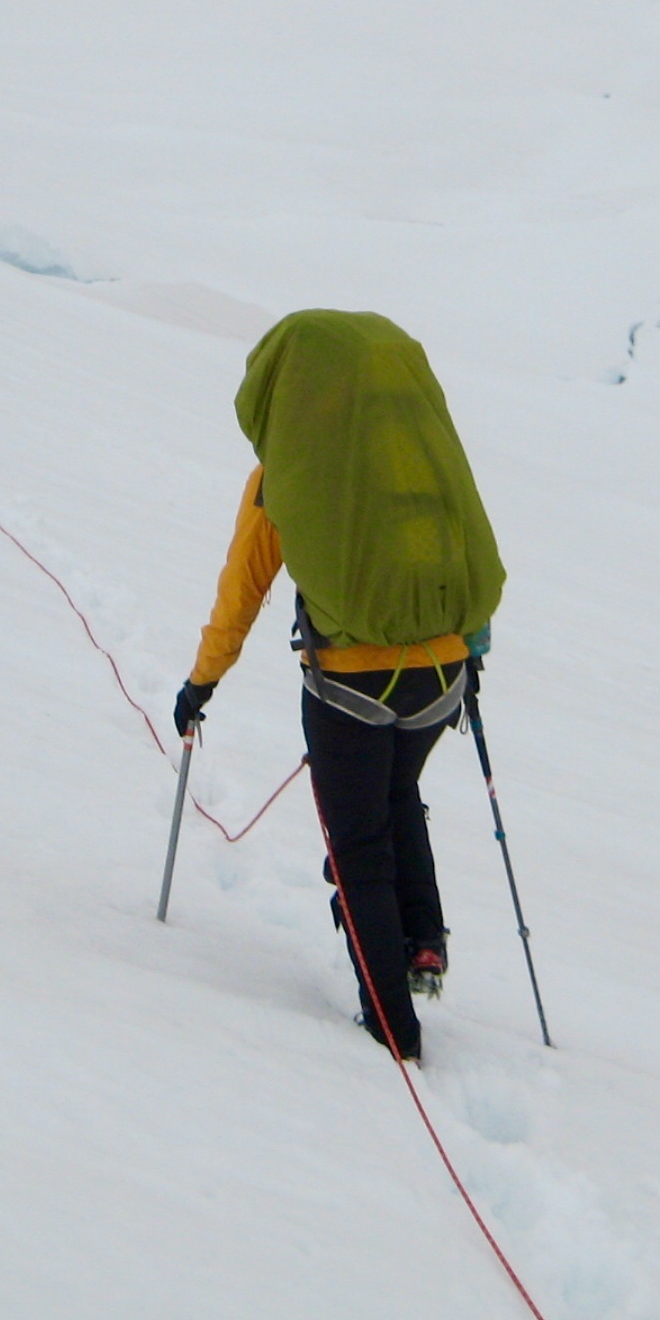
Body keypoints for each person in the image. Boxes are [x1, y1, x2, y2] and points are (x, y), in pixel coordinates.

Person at [175, 310, 503, 1063]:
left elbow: (243, 592)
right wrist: (470, 651)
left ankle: (392, 1024)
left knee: (357, 842)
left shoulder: (288, 476)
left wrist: (203, 682)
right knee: (395, 796)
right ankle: (421, 939)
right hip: (443, 678)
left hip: (349, 687)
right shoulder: (415, 458)